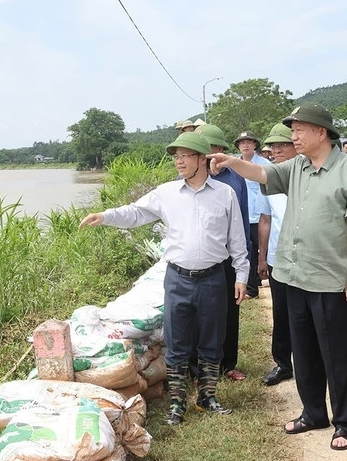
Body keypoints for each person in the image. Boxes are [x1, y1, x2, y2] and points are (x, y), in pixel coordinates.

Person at [209, 103, 347, 451]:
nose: (292, 136)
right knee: (304, 352)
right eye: (292, 130)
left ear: (321, 132)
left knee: (336, 355)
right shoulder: (295, 167)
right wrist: (230, 161)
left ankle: (344, 423)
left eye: (299, 130)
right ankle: (313, 413)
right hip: (292, 275)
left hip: (330, 279)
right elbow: (262, 175)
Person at [79, 132, 249, 425]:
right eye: (175, 156)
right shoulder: (166, 193)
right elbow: (135, 213)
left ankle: (207, 396)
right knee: (177, 340)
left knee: (212, 340)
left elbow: (237, 239)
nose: (178, 161)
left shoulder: (224, 194)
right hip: (178, 279)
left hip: (213, 279)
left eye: (184, 156)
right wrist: (105, 216)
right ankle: (177, 403)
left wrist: (242, 274)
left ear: (201, 159)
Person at [195, 124, 251, 382]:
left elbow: (242, 219)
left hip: (229, 256)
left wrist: (245, 263)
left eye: (211, 149)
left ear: (220, 150)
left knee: (230, 310)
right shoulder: (187, 178)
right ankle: (199, 366)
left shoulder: (235, 178)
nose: (207, 155)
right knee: (200, 312)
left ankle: (227, 363)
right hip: (201, 255)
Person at [257, 123, 298, 386]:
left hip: (307, 259)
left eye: (282, 145)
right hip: (277, 259)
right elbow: (265, 220)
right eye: (273, 146)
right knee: (281, 315)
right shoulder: (270, 179)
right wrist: (262, 258)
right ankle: (283, 363)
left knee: (309, 315)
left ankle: (314, 363)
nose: (276, 151)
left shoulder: (309, 174)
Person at [236, 130, 267, 300]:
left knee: (261, 249)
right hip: (242, 216)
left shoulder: (264, 165)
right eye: (242, 143)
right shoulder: (234, 165)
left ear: (255, 145)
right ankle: (252, 288)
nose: (245, 145)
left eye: (249, 142)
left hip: (261, 215)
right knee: (247, 251)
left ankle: (262, 278)